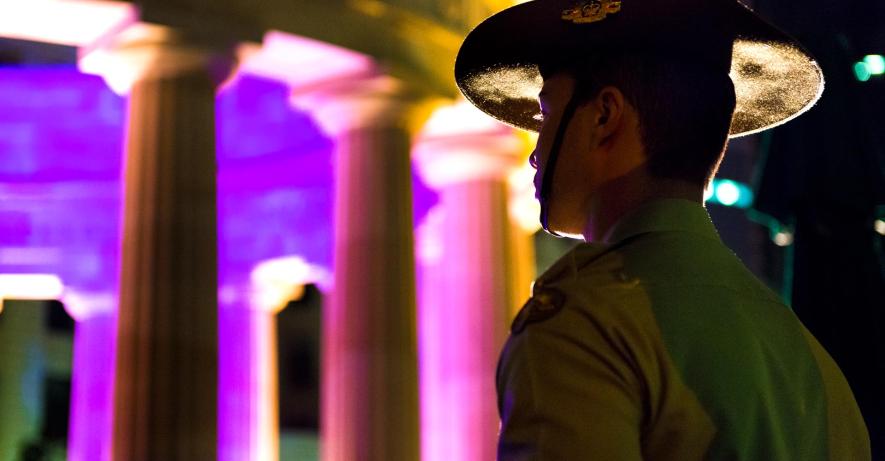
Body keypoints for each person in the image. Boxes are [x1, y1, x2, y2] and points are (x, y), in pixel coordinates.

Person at [454, 0, 872, 459]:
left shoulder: (587, 320)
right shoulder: (809, 359)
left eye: (546, 116)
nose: (535, 153)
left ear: (603, 116)